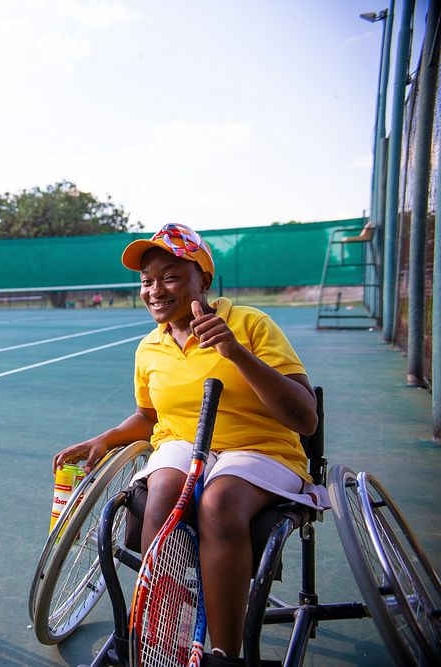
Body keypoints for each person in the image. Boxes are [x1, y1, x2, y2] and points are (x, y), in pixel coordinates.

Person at [53, 223, 325, 662]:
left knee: (219, 504)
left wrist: (236, 353)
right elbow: (147, 417)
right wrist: (103, 439)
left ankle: (225, 653)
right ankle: (165, 638)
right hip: (184, 445)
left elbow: (305, 418)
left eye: (170, 277)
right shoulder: (148, 348)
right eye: (146, 281)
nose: (154, 290)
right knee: (161, 494)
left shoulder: (251, 323)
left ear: (203, 279)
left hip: (260, 449)